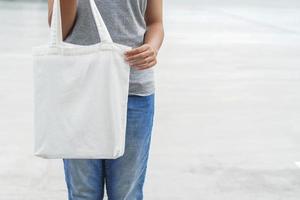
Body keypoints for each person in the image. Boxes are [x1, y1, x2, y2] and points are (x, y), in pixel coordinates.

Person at [47, 0, 164, 199]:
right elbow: (59, 30)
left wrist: (152, 48)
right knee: (83, 193)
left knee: (126, 193)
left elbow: (155, 23)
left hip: (133, 91)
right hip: (80, 91)